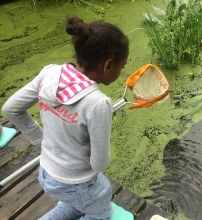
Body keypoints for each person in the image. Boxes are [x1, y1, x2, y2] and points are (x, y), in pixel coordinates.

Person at [1, 16, 129, 220]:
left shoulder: (49, 73)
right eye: (121, 67)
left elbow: (11, 109)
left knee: (79, 204)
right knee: (103, 211)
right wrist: (102, 124)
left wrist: (39, 139)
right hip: (79, 184)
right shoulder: (99, 103)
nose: (121, 72)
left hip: (46, 174)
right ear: (108, 65)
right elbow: (99, 164)